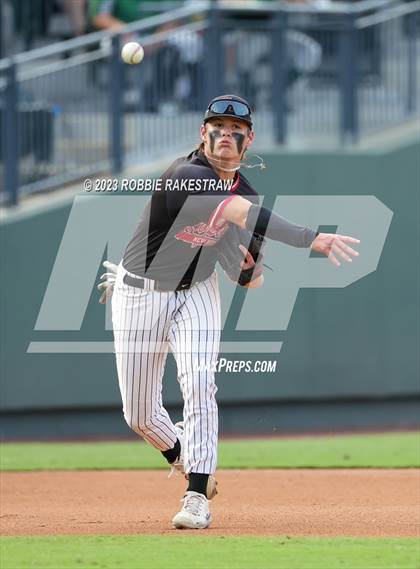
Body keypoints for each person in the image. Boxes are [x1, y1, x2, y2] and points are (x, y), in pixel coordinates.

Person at [104, 94, 360, 530]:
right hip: (140, 292)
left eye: (235, 129)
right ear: (202, 135)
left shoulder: (246, 191)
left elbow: (250, 277)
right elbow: (242, 213)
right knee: (140, 413)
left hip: (197, 291)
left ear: (249, 139)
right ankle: (187, 456)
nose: (226, 134)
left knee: (200, 381)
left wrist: (248, 271)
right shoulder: (187, 175)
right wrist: (310, 238)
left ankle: (197, 496)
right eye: (217, 127)